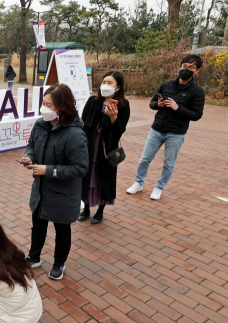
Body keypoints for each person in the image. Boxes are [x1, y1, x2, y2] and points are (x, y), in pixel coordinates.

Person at [20, 84, 88, 280]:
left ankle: (59, 264)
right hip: (41, 189)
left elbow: (80, 168)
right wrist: (29, 158)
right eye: (43, 103)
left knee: (62, 231)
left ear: (62, 107)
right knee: (38, 225)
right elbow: (31, 145)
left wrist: (47, 170)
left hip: (63, 194)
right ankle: (34, 257)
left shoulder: (75, 135)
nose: (44, 108)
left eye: (49, 105)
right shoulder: (41, 124)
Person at [127, 54, 205, 200]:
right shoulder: (166, 85)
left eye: (191, 67)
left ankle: (159, 187)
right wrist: (158, 105)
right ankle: (138, 182)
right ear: (180, 66)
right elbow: (151, 104)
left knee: (168, 164)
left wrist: (178, 108)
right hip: (157, 129)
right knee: (145, 159)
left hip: (176, 133)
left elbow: (196, 115)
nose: (186, 69)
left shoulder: (197, 91)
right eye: (184, 66)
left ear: (197, 71)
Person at [79, 71, 130, 224]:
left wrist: (114, 118)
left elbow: (120, 131)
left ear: (118, 87)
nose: (105, 85)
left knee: (104, 180)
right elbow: (83, 124)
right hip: (89, 147)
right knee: (87, 178)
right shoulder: (92, 101)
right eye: (103, 82)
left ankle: (100, 211)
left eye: (110, 83)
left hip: (107, 150)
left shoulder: (123, 106)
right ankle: (86, 208)